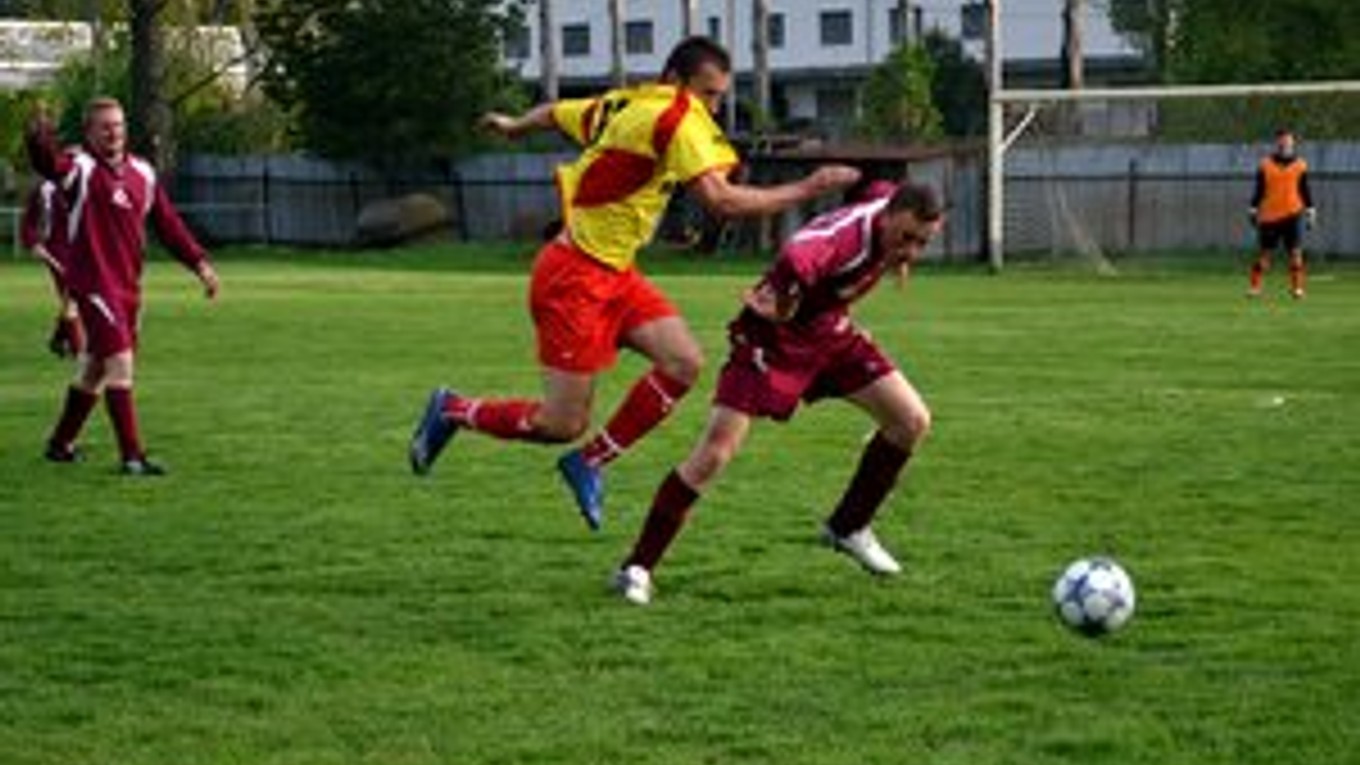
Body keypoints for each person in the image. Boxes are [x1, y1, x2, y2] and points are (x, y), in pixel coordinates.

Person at [408, 36, 860, 530]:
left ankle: (590, 462)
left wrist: (512, 125)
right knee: (561, 424)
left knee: (683, 361)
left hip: (614, 272)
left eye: (719, 96)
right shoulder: (677, 116)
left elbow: (556, 112)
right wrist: (810, 188)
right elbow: (722, 201)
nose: (712, 106)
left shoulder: (625, 102)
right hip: (574, 277)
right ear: (676, 81)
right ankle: (454, 409)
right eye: (707, 93)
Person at [611, 181, 945, 605]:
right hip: (771, 339)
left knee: (910, 421)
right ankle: (636, 568)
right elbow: (799, 252)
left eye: (923, 243)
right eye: (907, 239)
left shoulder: (890, 202)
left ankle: (848, 526)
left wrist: (890, 252)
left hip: (829, 334)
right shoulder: (842, 241)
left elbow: (877, 186)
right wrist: (783, 300)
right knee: (715, 452)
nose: (912, 251)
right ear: (891, 214)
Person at [26, 97, 220, 475]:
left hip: (128, 286)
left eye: (118, 124)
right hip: (93, 282)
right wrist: (40, 138)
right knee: (121, 363)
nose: (114, 131)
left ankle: (60, 444)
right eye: (105, 126)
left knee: (95, 369)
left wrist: (200, 264)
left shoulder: (142, 173)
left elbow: (167, 223)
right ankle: (132, 456)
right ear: (89, 132)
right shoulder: (79, 168)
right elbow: (49, 165)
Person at [19, 178, 84, 358]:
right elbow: (29, 220)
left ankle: (58, 339)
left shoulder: (87, 179)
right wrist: (32, 243)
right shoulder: (44, 187)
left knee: (73, 299)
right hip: (57, 252)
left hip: (85, 250)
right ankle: (79, 353)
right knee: (73, 301)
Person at [1248, 129, 1315, 299]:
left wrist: (1311, 210)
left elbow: (1304, 190)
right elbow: (1259, 189)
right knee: (1265, 254)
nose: (1284, 144)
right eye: (1281, 141)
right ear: (1276, 143)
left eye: (1288, 141)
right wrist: (1253, 209)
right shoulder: (1265, 164)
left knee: (1295, 253)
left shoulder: (1300, 164)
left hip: (1293, 213)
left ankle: (1297, 289)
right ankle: (1255, 287)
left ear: (1293, 143)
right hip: (1270, 215)